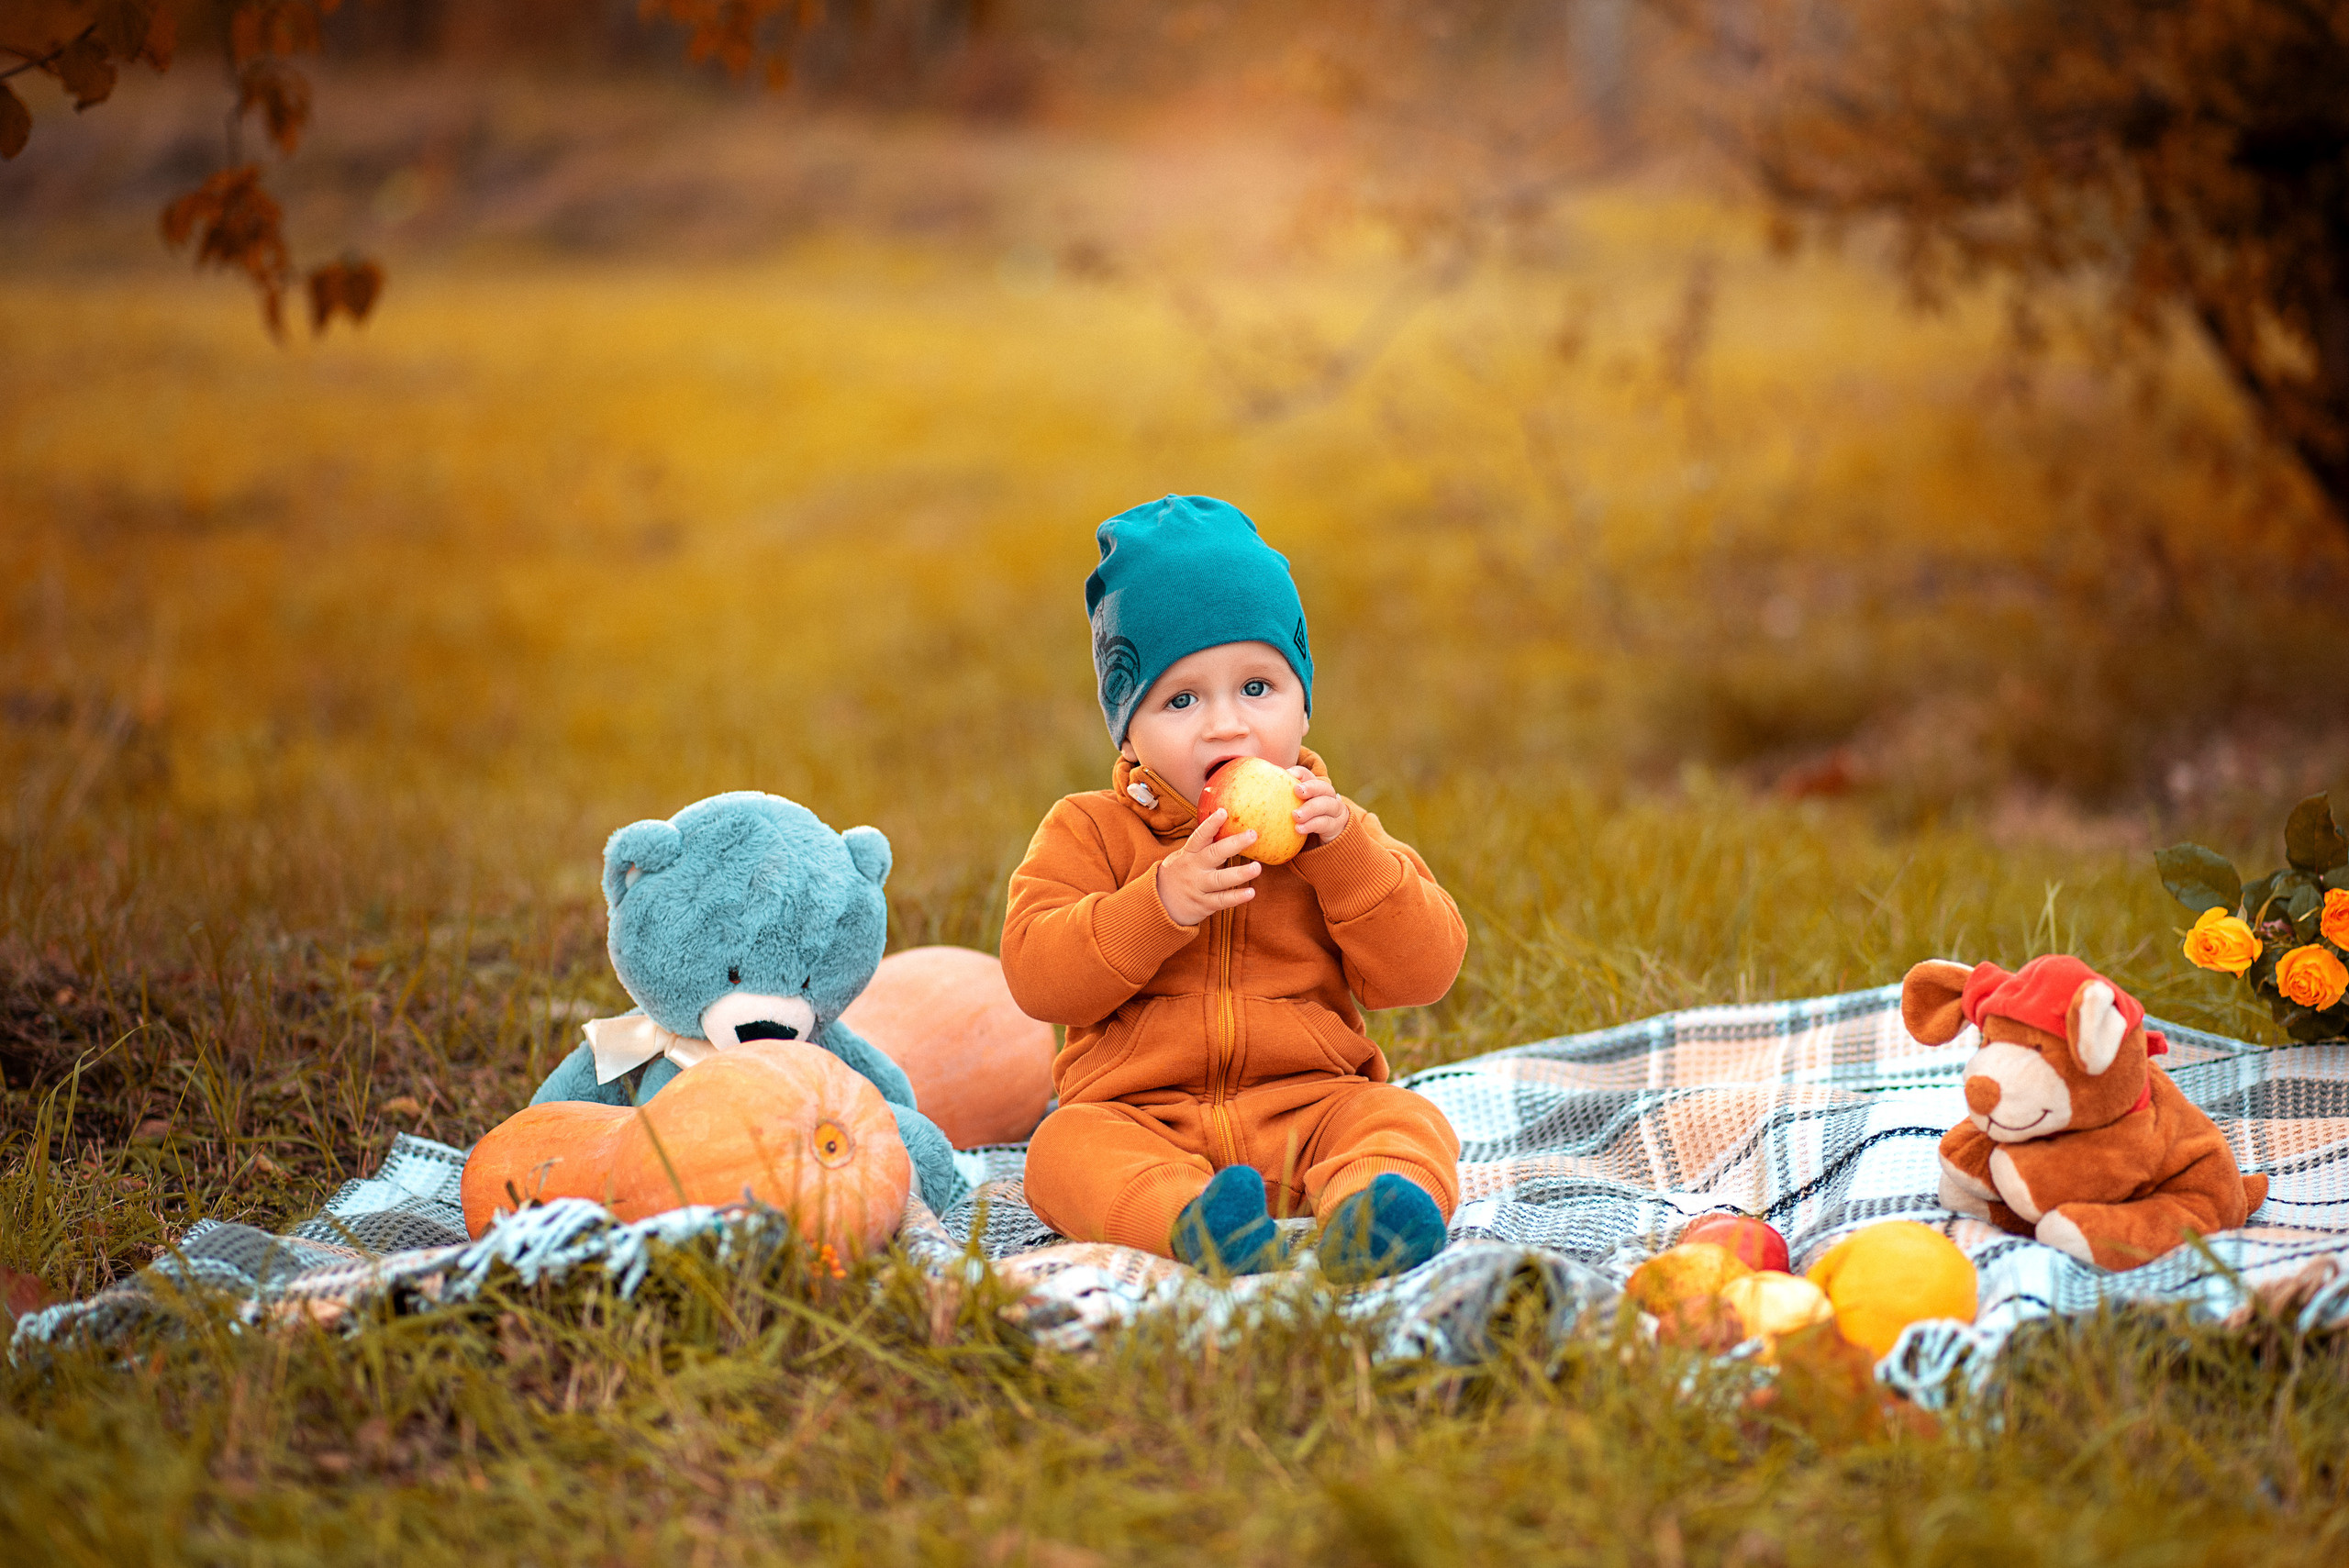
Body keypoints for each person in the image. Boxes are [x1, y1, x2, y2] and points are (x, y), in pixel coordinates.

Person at [1001, 494, 1465, 1281]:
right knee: (1060, 1151)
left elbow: (1426, 971)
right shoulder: (1090, 831)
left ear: (1303, 702)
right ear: (1128, 725)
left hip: (1310, 1107)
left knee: (1403, 1116)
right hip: (1144, 1119)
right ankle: (1194, 1223)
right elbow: (1037, 974)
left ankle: (1373, 1215)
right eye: (1181, 699)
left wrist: (1346, 859)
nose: (1227, 726)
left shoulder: (1335, 832)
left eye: (1258, 687)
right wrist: (1158, 905)